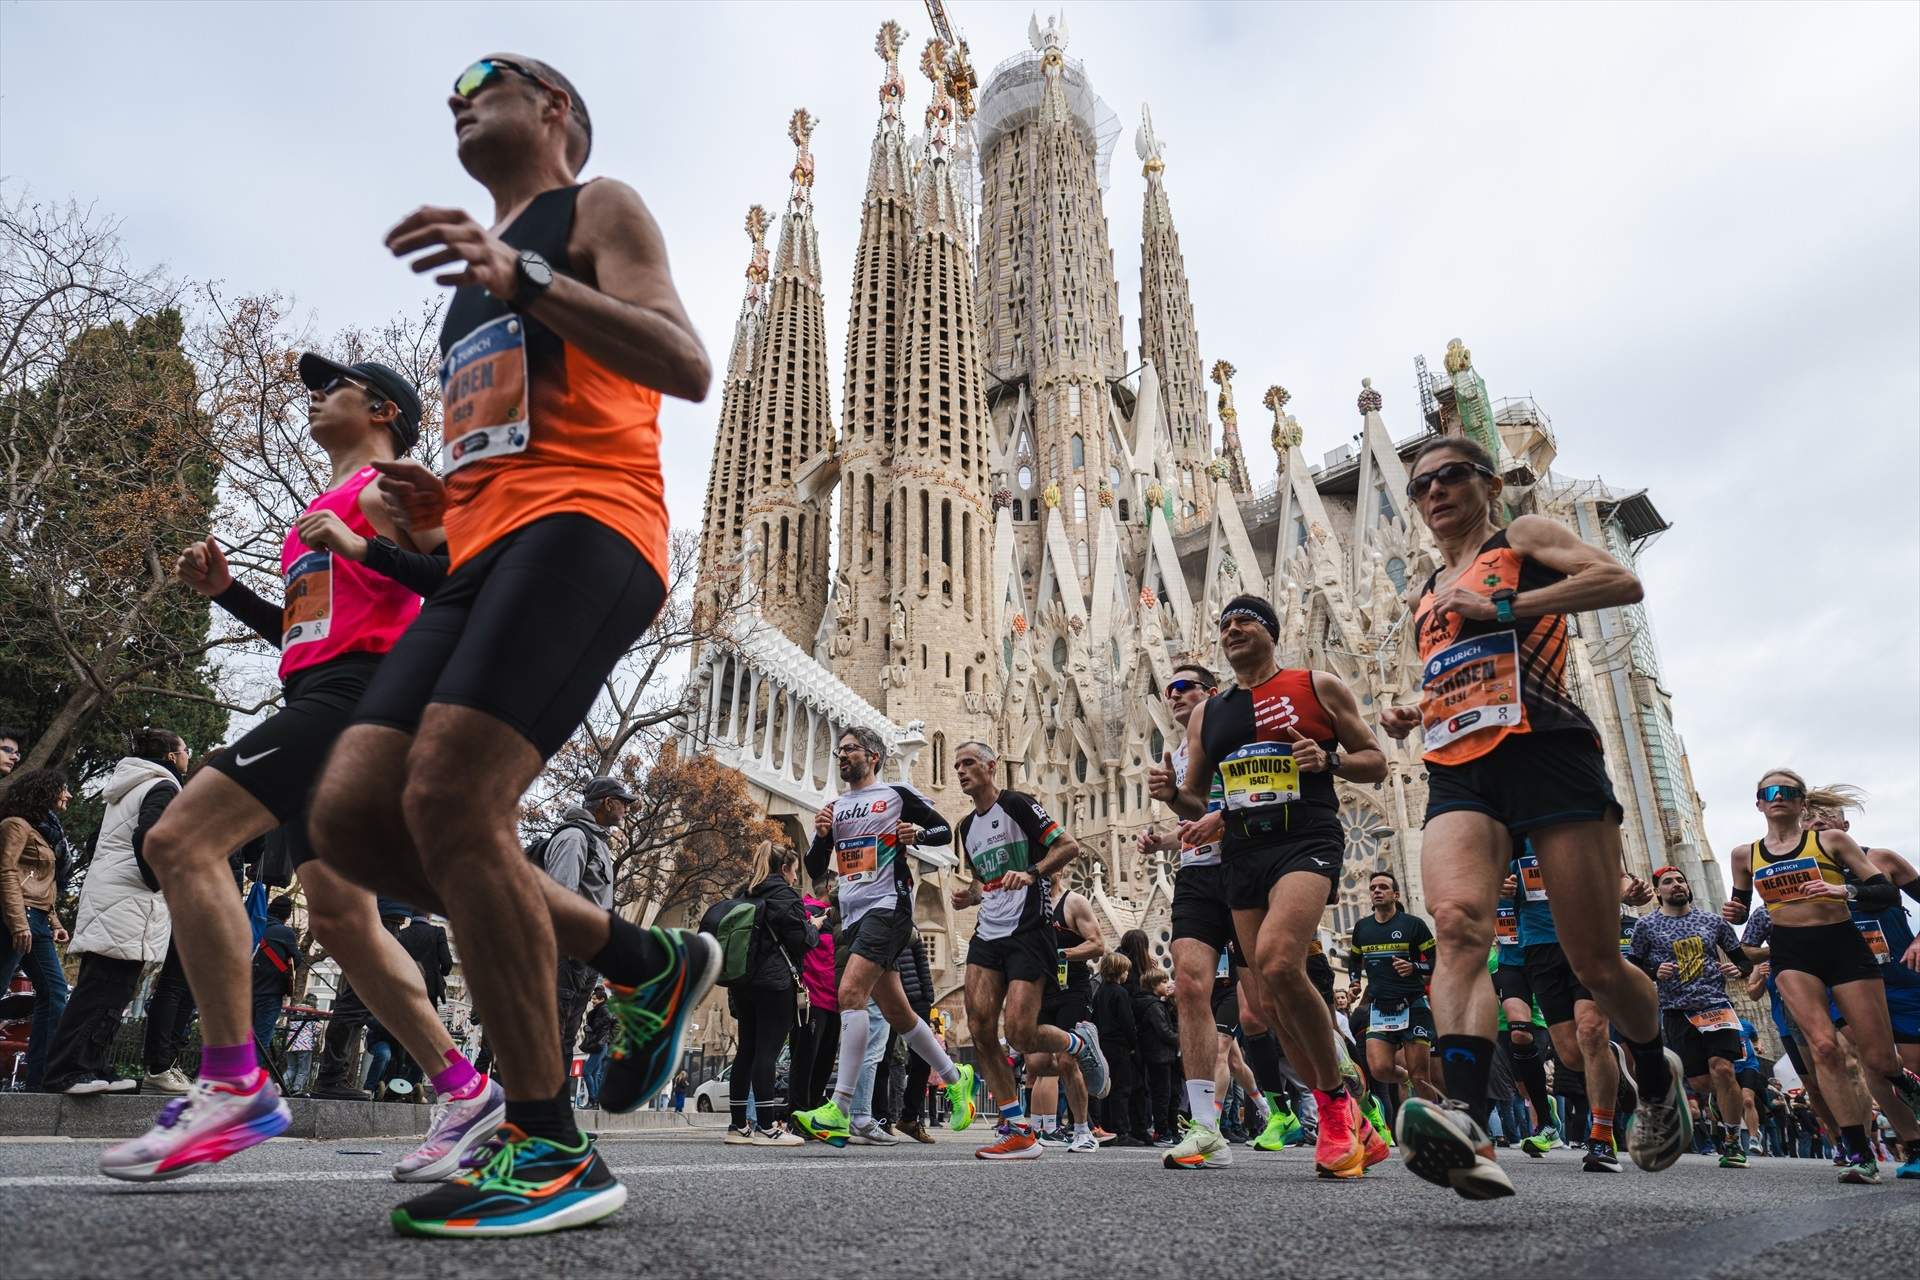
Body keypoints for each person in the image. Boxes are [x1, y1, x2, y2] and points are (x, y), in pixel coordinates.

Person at [303, 52, 718, 1237]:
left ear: (555, 113)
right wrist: (427, 512)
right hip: (482, 550)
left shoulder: (599, 208)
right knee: (353, 817)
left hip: (592, 527)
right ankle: (644, 961)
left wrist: (525, 269)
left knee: (453, 794)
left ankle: (550, 1144)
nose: (456, 97)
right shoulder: (464, 292)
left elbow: (682, 362)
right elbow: (509, 435)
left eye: (484, 79)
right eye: (449, 90)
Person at [100, 351, 504, 1188]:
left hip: (357, 702)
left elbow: (468, 580)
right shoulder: (320, 508)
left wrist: (362, 542)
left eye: (335, 386)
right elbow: (305, 633)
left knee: (180, 840)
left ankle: (232, 1079)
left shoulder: (397, 484)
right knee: (345, 918)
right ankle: (467, 1094)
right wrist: (228, 593)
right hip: (323, 691)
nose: (317, 397)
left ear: (385, 409)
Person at [1378, 436, 1689, 1199]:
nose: (1435, 493)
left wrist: (1506, 602)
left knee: (1595, 963)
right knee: (1456, 924)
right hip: (1461, 769)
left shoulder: (1521, 538)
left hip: (1548, 750)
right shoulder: (1426, 589)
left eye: (1450, 477)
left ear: (1485, 483)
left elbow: (1618, 581)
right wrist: (1417, 711)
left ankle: (1653, 1070)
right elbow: (1464, 668)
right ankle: (1464, 1120)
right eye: (1421, 486)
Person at [1153, 596, 1388, 1180]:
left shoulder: (1317, 685)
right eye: (1224, 624)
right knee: (1271, 1001)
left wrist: (1328, 759)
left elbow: (1375, 761)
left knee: (1282, 963)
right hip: (1243, 852)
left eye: (1244, 621)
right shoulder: (1213, 713)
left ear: (1271, 631)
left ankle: (1333, 1109)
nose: (1232, 630)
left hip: (1306, 835)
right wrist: (1168, 795)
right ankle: (1351, 1116)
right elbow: (1198, 799)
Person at [1721, 774, 1920, 1183]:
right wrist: (1736, 913)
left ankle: (1910, 1089)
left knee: (1881, 1060)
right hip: (1793, 955)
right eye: (1769, 793)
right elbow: (1741, 906)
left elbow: (1884, 894)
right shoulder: (1745, 854)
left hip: (1845, 950)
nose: (1778, 798)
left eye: (1788, 792)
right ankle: (1859, 1152)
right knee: (1825, 1049)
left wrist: (1840, 891)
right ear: (1758, 803)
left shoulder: (1832, 844)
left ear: (1801, 803)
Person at [792, 728, 974, 1145]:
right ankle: (953, 1075)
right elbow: (818, 867)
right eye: (839, 751)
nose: (842, 756)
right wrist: (821, 836)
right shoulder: (836, 807)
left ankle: (839, 1109)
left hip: (888, 906)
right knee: (899, 1013)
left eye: (850, 749)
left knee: (850, 994)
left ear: (873, 756)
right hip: (853, 913)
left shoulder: (896, 795)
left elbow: (944, 831)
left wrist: (917, 835)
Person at [949, 739, 1107, 1159]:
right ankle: (1019, 1130)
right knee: (982, 1029)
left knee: (1019, 1034)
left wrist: (1032, 871)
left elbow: (1068, 846)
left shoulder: (1018, 805)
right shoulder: (965, 828)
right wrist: (972, 895)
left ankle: (1075, 1045)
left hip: (1029, 930)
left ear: (991, 766)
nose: (961, 771)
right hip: (988, 933)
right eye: (956, 766)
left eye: (968, 763)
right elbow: (988, 880)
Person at [44, 728, 188, 1094]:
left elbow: (98, 842)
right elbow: (150, 838)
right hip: (130, 901)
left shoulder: (126, 789)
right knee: (107, 988)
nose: (189, 755)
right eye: (185, 750)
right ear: (171, 756)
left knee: (104, 987)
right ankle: (70, 1072)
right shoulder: (163, 787)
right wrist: (159, 881)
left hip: (113, 894)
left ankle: (91, 1066)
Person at [1627, 866, 1754, 1168]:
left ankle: (1733, 1142)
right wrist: (1653, 972)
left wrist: (1739, 970)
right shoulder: (1647, 926)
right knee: (1700, 1081)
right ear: (1658, 892)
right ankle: (1714, 1099)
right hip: (1676, 1010)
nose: (1677, 885)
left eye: (1681, 880)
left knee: (1722, 1069)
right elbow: (1630, 969)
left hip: (1715, 1005)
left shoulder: (1712, 921)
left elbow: (1743, 962)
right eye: (1668, 882)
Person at [725, 841, 816, 1146]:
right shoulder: (784, 895)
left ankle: (738, 1126)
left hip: (743, 983)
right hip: (775, 984)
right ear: (784, 869)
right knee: (767, 1052)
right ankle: (767, 1126)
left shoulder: (743, 893)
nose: (794, 879)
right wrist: (814, 926)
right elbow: (802, 940)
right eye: (793, 872)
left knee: (746, 1051)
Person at [538, 777, 628, 1075]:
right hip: (567, 957)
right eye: (622, 802)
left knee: (565, 1038)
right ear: (607, 802)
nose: (626, 809)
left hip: (585, 958)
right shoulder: (575, 838)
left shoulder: (597, 841)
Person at [0, 767, 72, 1090]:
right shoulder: (16, 826)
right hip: (17, 917)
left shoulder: (47, 832)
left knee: (56, 992)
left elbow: (42, 884)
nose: (68, 795)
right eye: (63, 789)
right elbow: (7, 873)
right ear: (45, 791)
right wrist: (18, 921)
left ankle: (40, 1082)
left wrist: (54, 922)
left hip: (38, 920)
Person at [1026, 875, 1104, 1153]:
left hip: (1072, 990)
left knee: (1066, 1059)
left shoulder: (1074, 902)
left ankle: (1083, 1131)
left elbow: (1097, 944)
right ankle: (1087, 1057)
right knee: (1036, 1064)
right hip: (1040, 990)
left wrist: (1062, 954)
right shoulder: (1028, 907)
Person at [1350, 871, 1438, 1117]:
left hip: (1413, 1005)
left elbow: (1437, 961)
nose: (1377, 891)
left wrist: (1415, 967)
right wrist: (1355, 982)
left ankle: (1436, 1124)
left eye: (1383, 887)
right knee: (1379, 1069)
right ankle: (1405, 1079)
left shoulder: (1413, 925)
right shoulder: (1362, 928)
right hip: (1380, 1008)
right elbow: (1354, 959)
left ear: (1395, 895)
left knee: (1422, 1076)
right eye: (1373, 887)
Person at [788, 883, 837, 1115]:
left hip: (834, 1001)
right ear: (829, 885)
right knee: (806, 1059)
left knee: (823, 1061)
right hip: (811, 1000)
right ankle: (799, 1113)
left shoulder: (837, 917)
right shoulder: (806, 911)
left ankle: (811, 1111)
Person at [1091, 951, 1142, 1143]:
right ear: (1120, 971)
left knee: (1107, 1088)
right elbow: (1127, 1022)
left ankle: (1108, 1127)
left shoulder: (1100, 992)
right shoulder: (1120, 993)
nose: (1128, 974)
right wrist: (1133, 1044)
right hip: (1119, 1047)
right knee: (1122, 1088)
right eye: (1126, 971)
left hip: (1103, 1045)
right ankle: (1122, 1131)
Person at [252, 895, 301, 1068]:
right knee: (260, 1041)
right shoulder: (285, 933)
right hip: (270, 994)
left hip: (244, 992)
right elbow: (297, 961)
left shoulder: (253, 926)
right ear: (287, 915)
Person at [1141, 969, 1182, 1142]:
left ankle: (1172, 1129)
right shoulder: (1154, 1006)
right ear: (1153, 985)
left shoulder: (1161, 1004)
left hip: (1167, 1056)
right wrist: (1182, 1040)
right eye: (1163, 982)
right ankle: (1162, 1130)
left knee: (1173, 1094)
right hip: (1160, 1056)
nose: (1168, 985)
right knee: (1163, 1095)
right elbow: (1164, 1031)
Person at [580, 988, 612, 1107]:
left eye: (595, 999)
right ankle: (596, 1101)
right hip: (600, 1045)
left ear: (602, 999)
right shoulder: (600, 1010)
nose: (592, 1001)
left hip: (599, 1045)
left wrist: (593, 1027)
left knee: (586, 1072)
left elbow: (608, 1021)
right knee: (594, 1074)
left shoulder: (603, 1009)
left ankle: (593, 1100)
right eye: (592, 998)